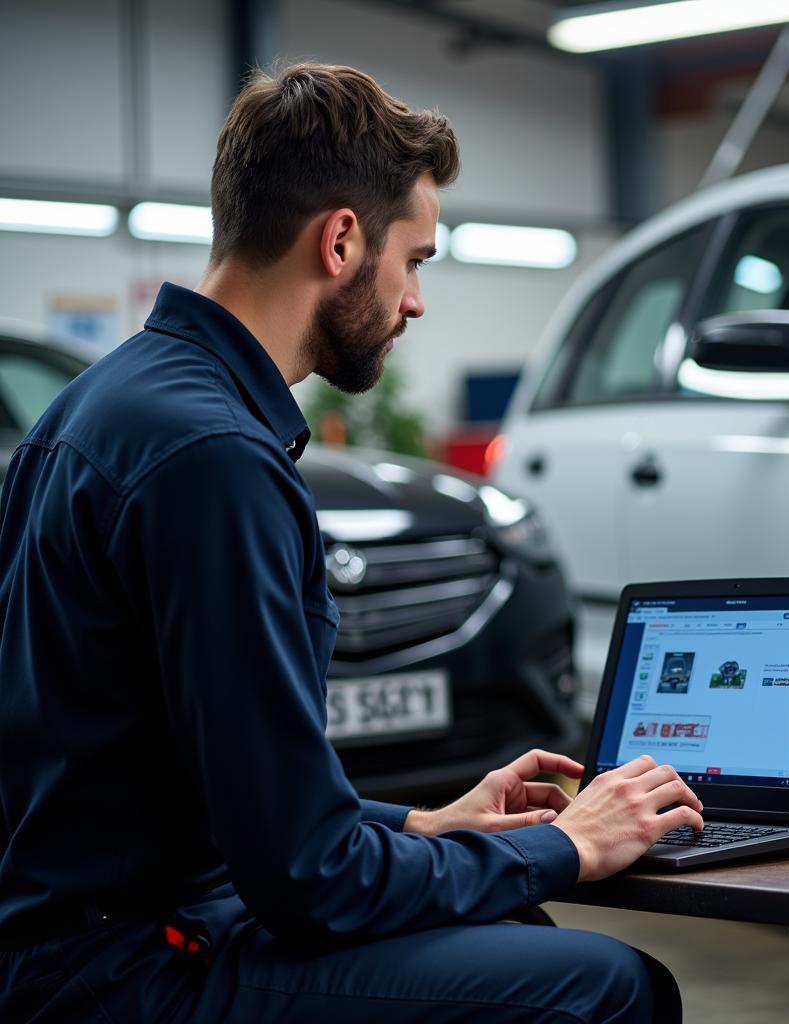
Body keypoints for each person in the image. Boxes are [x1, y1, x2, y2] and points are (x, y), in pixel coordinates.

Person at [0, 63, 703, 1022]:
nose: (415, 303)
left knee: (517, 939)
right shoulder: (214, 460)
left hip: (89, 933)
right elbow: (307, 878)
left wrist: (426, 821)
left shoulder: (100, 407)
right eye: (414, 261)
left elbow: (223, 786)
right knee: (604, 989)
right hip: (128, 971)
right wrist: (568, 844)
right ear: (340, 240)